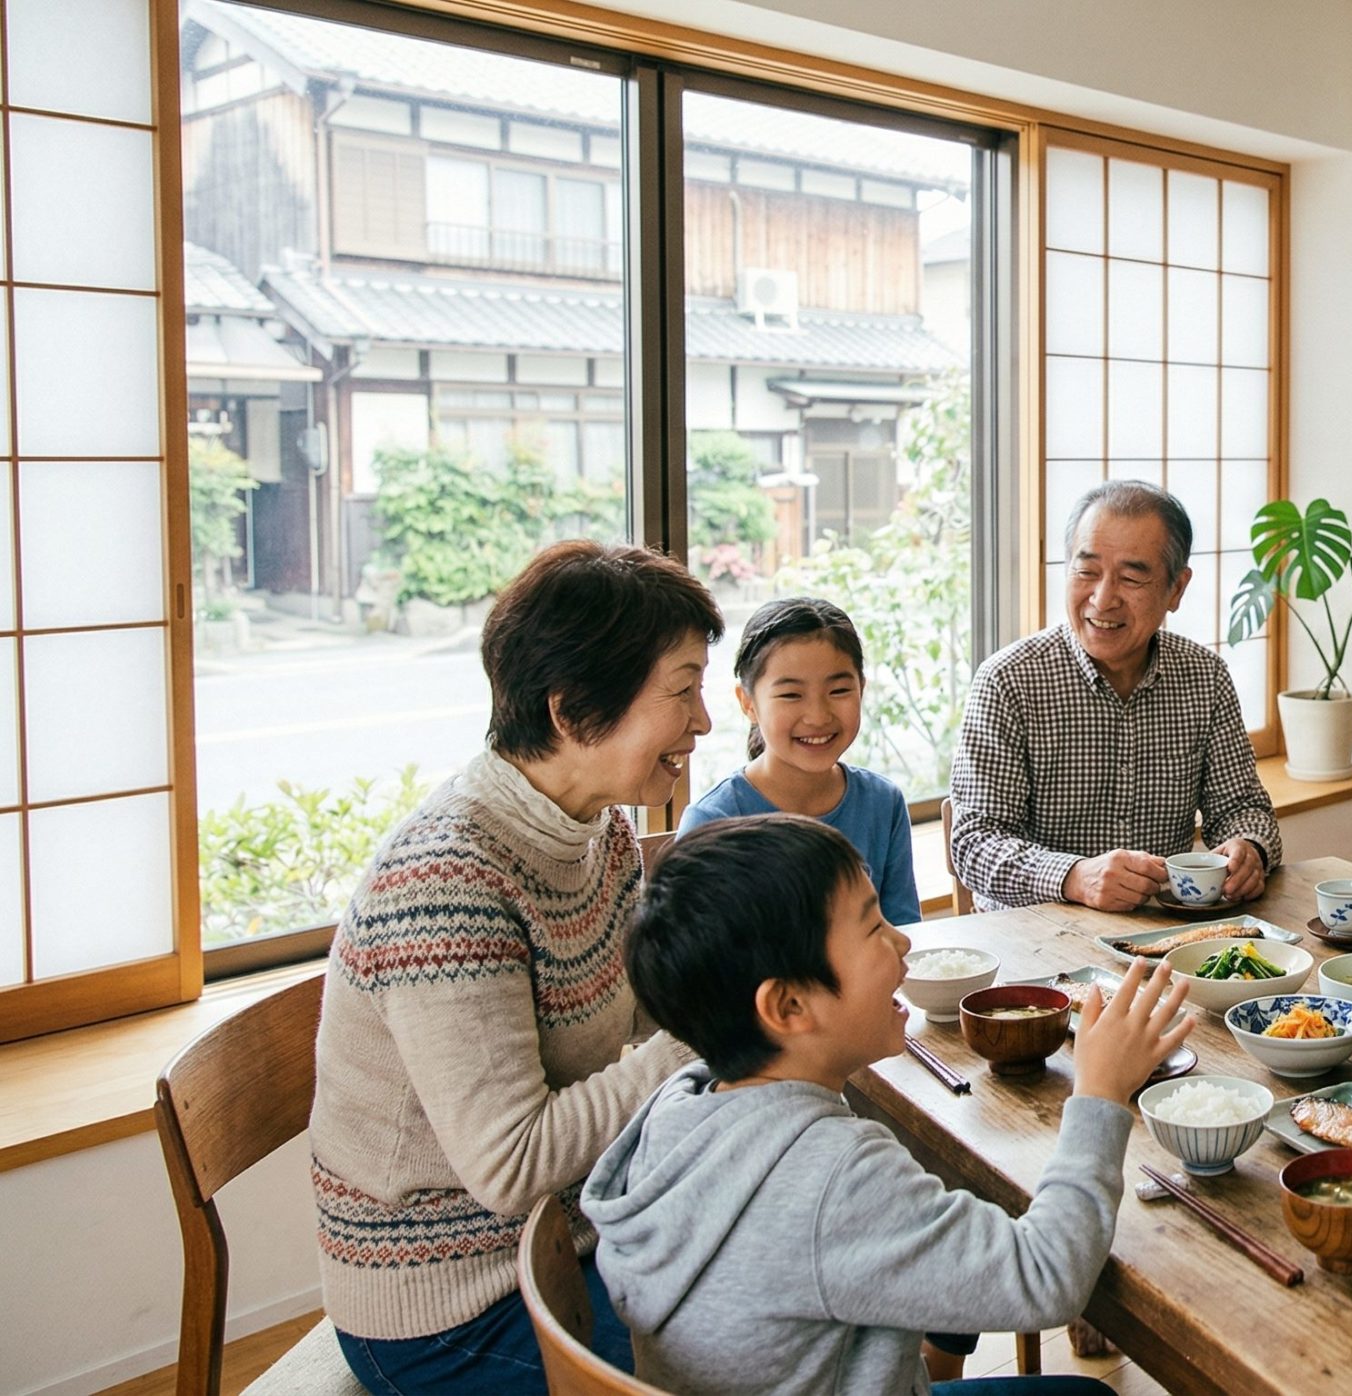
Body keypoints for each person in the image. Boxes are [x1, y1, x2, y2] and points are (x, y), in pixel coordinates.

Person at [586, 815, 1193, 1396]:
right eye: (873, 927)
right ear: (789, 1007)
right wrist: (1099, 1092)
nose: (902, 939)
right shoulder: (836, 1177)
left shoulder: (679, 1104)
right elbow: (1047, 1276)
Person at [311, 540, 723, 1394]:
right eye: (682, 690)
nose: (704, 721)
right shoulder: (446, 884)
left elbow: (644, 1016)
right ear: (572, 712)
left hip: (578, 1233)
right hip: (448, 1304)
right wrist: (703, 1038)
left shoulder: (597, 830)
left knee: (796, 1298)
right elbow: (511, 1164)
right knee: (743, 1366)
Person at [950, 480, 1280, 913]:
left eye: (1131, 578)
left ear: (1176, 589)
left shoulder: (1205, 677)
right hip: (1033, 939)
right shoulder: (1008, 681)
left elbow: (1242, 807)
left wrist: (1249, 848)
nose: (1103, 599)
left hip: (1165, 932)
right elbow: (975, 843)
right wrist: (1074, 877)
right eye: (1086, 572)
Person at [683, 597, 921, 926]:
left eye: (839, 690)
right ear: (748, 702)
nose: (818, 716)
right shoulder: (713, 821)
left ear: (861, 689)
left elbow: (905, 934)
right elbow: (699, 955)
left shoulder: (883, 803)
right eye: (791, 695)